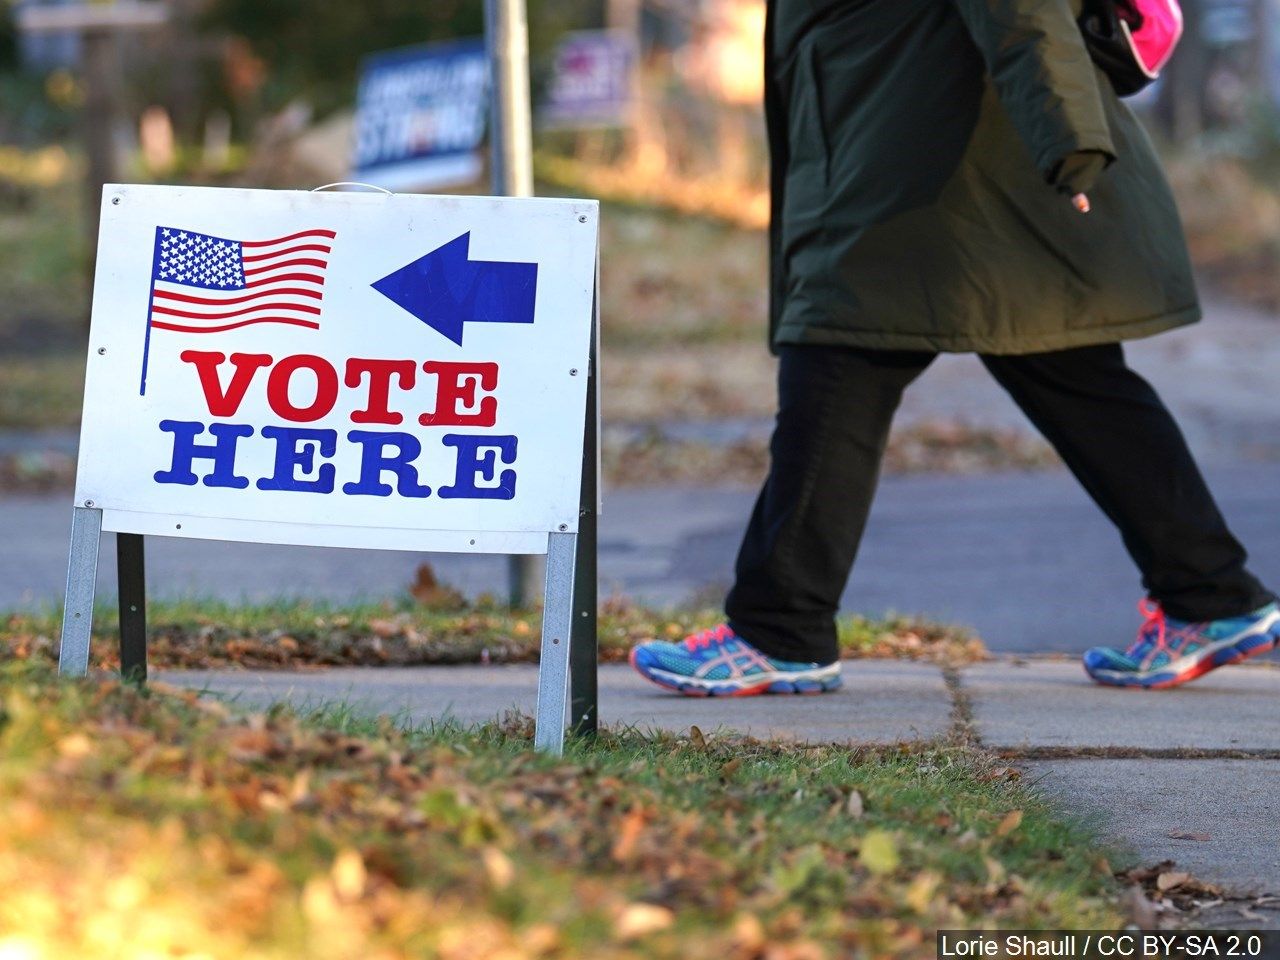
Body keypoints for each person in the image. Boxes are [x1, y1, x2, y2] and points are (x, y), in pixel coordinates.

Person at [629, 0, 1279, 696]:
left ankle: (779, 630)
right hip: (936, 177)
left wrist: (1070, 142)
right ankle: (1209, 595)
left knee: (839, 364)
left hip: (933, 190)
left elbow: (1022, 10)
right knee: (1081, 387)